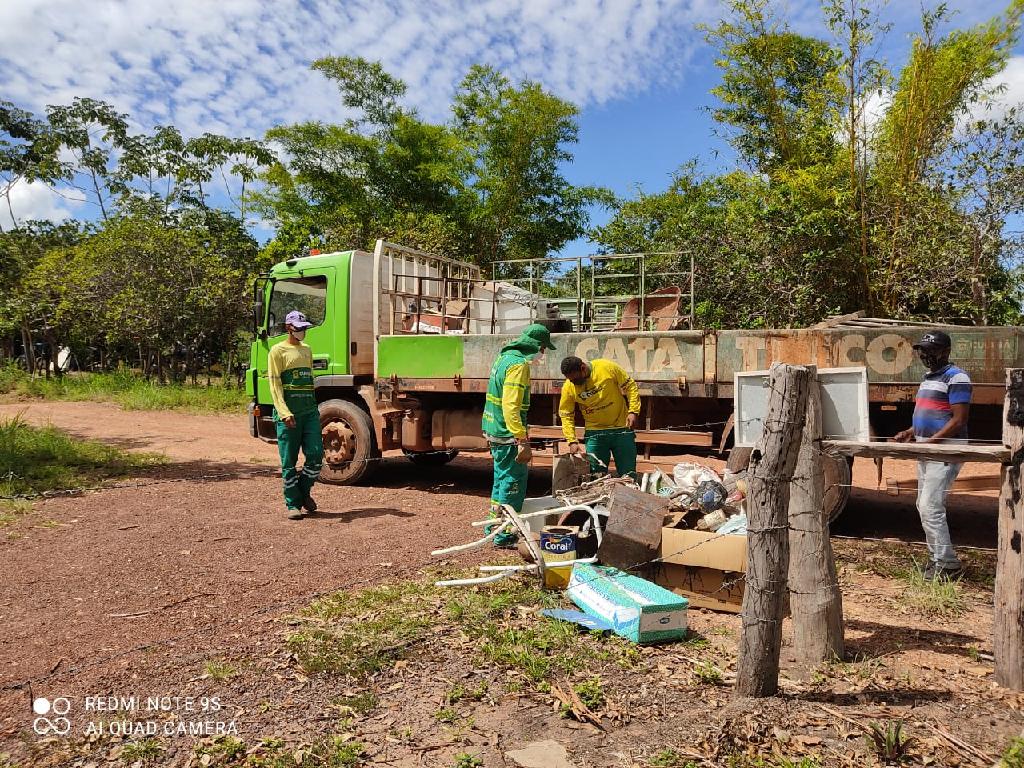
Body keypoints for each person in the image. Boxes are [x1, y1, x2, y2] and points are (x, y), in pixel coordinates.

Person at [894, 330, 971, 579]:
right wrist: (910, 432)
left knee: (930, 505)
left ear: (946, 351)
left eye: (931, 350)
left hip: (944, 450)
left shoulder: (957, 377)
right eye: (922, 351)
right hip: (928, 448)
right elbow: (929, 414)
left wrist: (932, 443)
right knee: (923, 505)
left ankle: (947, 565)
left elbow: (959, 420)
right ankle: (938, 559)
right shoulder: (928, 379)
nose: (925, 355)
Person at [481, 323, 557, 547]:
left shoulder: (503, 358)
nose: (542, 354)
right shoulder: (518, 365)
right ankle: (505, 535)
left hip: (494, 429)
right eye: (543, 349)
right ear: (536, 346)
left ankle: (494, 526)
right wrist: (521, 439)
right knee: (513, 484)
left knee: (500, 482)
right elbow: (511, 406)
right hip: (508, 435)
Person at [268, 310, 325, 520]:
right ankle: (293, 503)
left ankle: (303, 492)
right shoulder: (277, 351)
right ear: (288, 328)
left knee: (316, 455)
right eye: (299, 329)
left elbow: (309, 380)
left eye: (304, 329)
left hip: (309, 411)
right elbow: (274, 385)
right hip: (288, 414)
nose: (302, 332)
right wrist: (284, 413)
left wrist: (313, 407)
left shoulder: (307, 350)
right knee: (289, 461)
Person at [558, 356, 641, 481]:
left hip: (622, 429)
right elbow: (566, 414)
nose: (573, 383)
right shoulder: (568, 387)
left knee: (629, 475)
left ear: (583, 368)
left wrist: (633, 411)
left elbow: (630, 386)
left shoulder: (606, 367)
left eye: (575, 379)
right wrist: (572, 441)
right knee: (596, 478)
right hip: (595, 435)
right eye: (570, 380)